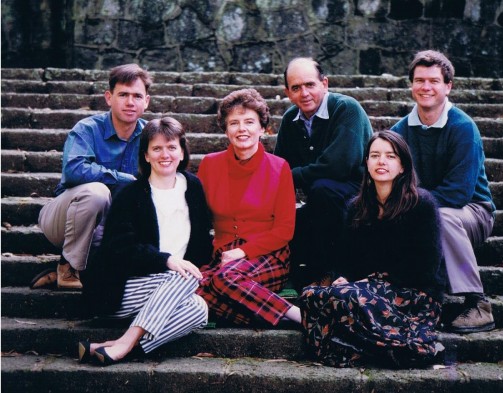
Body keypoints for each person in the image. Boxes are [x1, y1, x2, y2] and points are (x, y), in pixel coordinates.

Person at [299, 130, 445, 368]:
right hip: (366, 290)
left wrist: (370, 282)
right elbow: (346, 258)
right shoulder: (356, 207)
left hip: (413, 295)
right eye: (375, 155)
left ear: (403, 166)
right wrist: (343, 277)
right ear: (366, 163)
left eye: (390, 156)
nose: (381, 162)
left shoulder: (421, 204)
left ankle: (412, 345)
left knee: (348, 297)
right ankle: (369, 351)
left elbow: (425, 267)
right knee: (311, 295)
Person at [78, 117, 213, 365]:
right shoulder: (130, 193)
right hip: (122, 288)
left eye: (172, 147)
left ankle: (117, 347)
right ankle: (126, 343)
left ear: (182, 152)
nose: (165, 154)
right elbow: (118, 249)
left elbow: (202, 244)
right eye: (157, 148)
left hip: (172, 290)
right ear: (146, 155)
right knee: (181, 275)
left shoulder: (193, 187)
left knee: (199, 309)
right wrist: (167, 261)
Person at [391, 50, 496, 334]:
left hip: (472, 211)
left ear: (448, 86)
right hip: (420, 208)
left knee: (443, 216)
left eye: (434, 81)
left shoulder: (463, 128)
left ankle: (478, 304)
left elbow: (459, 193)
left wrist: (413, 208)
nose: (426, 87)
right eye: (420, 80)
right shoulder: (400, 131)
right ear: (411, 85)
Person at [32, 64, 152, 290]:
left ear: (146, 101)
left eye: (137, 96)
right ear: (109, 97)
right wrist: (125, 179)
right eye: (123, 95)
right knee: (97, 192)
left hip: (112, 227)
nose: (130, 102)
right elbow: (74, 170)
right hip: (65, 218)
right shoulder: (87, 129)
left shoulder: (151, 135)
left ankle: (85, 269)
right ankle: (68, 267)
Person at [196, 88, 302, 327]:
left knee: (224, 280)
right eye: (234, 122)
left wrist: (242, 253)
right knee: (191, 290)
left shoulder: (279, 167)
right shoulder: (210, 165)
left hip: (269, 255)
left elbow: (284, 230)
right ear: (226, 130)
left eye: (249, 122)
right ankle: (277, 319)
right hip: (223, 255)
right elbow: (200, 220)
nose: (241, 128)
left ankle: (298, 315)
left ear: (262, 129)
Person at [274, 57, 373, 290]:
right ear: (287, 92)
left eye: (310, 85)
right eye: (296, 88)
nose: (304, 93)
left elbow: (339, 167)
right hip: (321, 199)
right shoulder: (291, 119)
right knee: (293, 213)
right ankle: (299, 274)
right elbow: (280, 167)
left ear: (325, 84)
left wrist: (290, 175)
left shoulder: (346, 108)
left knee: (323, 189)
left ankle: (331, 271)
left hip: (359, 195)